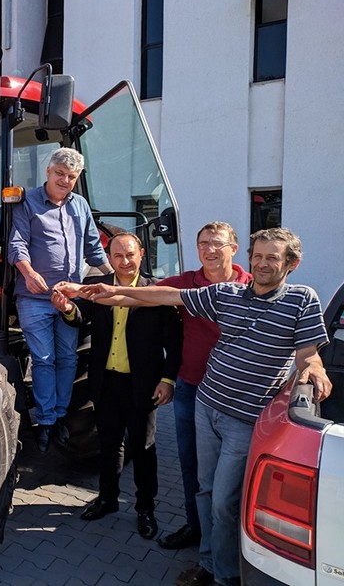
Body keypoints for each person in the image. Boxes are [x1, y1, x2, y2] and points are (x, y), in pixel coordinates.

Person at [59, 227, 332, 586]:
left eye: (272, 257)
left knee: (223, 500)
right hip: (206, 404)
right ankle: (208, 561)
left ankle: (225, 573)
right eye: (259, 256)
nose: (263, 263)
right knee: (203, 488)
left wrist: (314, 368)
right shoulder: (226, 294)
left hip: (245, 417)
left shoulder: (302, 299)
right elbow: (166, 295)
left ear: (291, 263)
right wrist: (104, 292)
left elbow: (308, 353)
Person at [51, 232, 182, 540]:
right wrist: (68, 309)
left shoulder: (156, 292)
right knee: (109, 445)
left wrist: (167, 380)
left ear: (141, 255)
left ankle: (145, 508)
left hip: (143, 385)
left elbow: (175, 342)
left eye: (130, 255)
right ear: (109, 258)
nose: (125, 261)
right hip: (106, 382)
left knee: (143, 448)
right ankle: (107, 499)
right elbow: (82, 318)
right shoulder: (98, 287)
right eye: (118, 256)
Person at [8, 147, 112, 452]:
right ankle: (46, 421)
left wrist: (115, 278)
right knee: (43, 359)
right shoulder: (27, 202)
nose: (65, 181)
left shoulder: (80, 206)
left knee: (68, 358)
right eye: (60, 174)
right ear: (48, 171)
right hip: (34, 296)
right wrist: (28, 273)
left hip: (69, 297)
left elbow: (93, 247)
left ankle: (61, 415)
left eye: (71, 176)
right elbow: (17, 243)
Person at [156, 222, 252, 550]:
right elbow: (143, 292)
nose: (210, 250)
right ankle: (195, 526)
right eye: (203, 243)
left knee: (234, 471)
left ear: (233, 249)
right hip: (192, 389)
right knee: (191, 464)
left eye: (217, 243)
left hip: (237, 397)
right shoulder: (186, 283)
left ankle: (232, 538)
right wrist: (94, 291)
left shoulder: (250, 287)